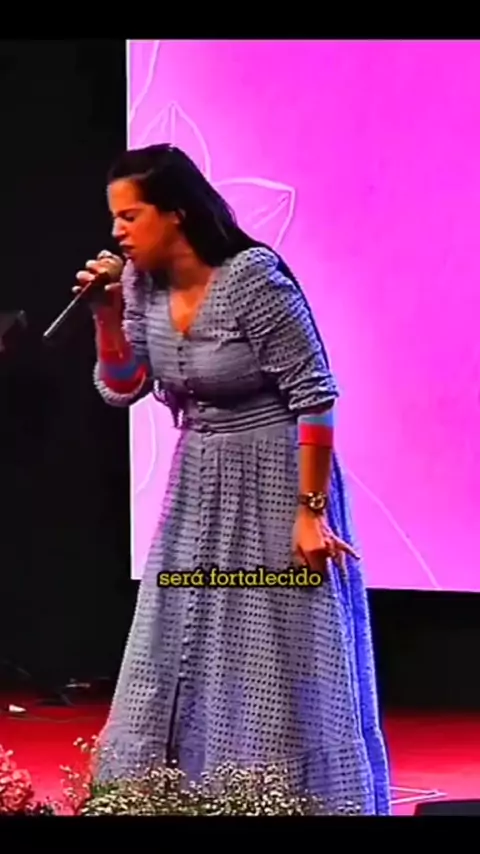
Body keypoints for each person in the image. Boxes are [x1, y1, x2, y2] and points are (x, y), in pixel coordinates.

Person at [76, 143, 391, 815]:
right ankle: (185, 798)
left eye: (130, 216)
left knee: (272, 649)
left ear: (176, 213)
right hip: (199, 482)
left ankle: (285, 801)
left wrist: (310, 512)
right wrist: (105, 313)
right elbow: (123, 385)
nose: (117, 232)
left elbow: (315, 398)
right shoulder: (142, 286)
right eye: (115, 219)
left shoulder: (253, 279)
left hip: (276, 479)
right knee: (175, 634)